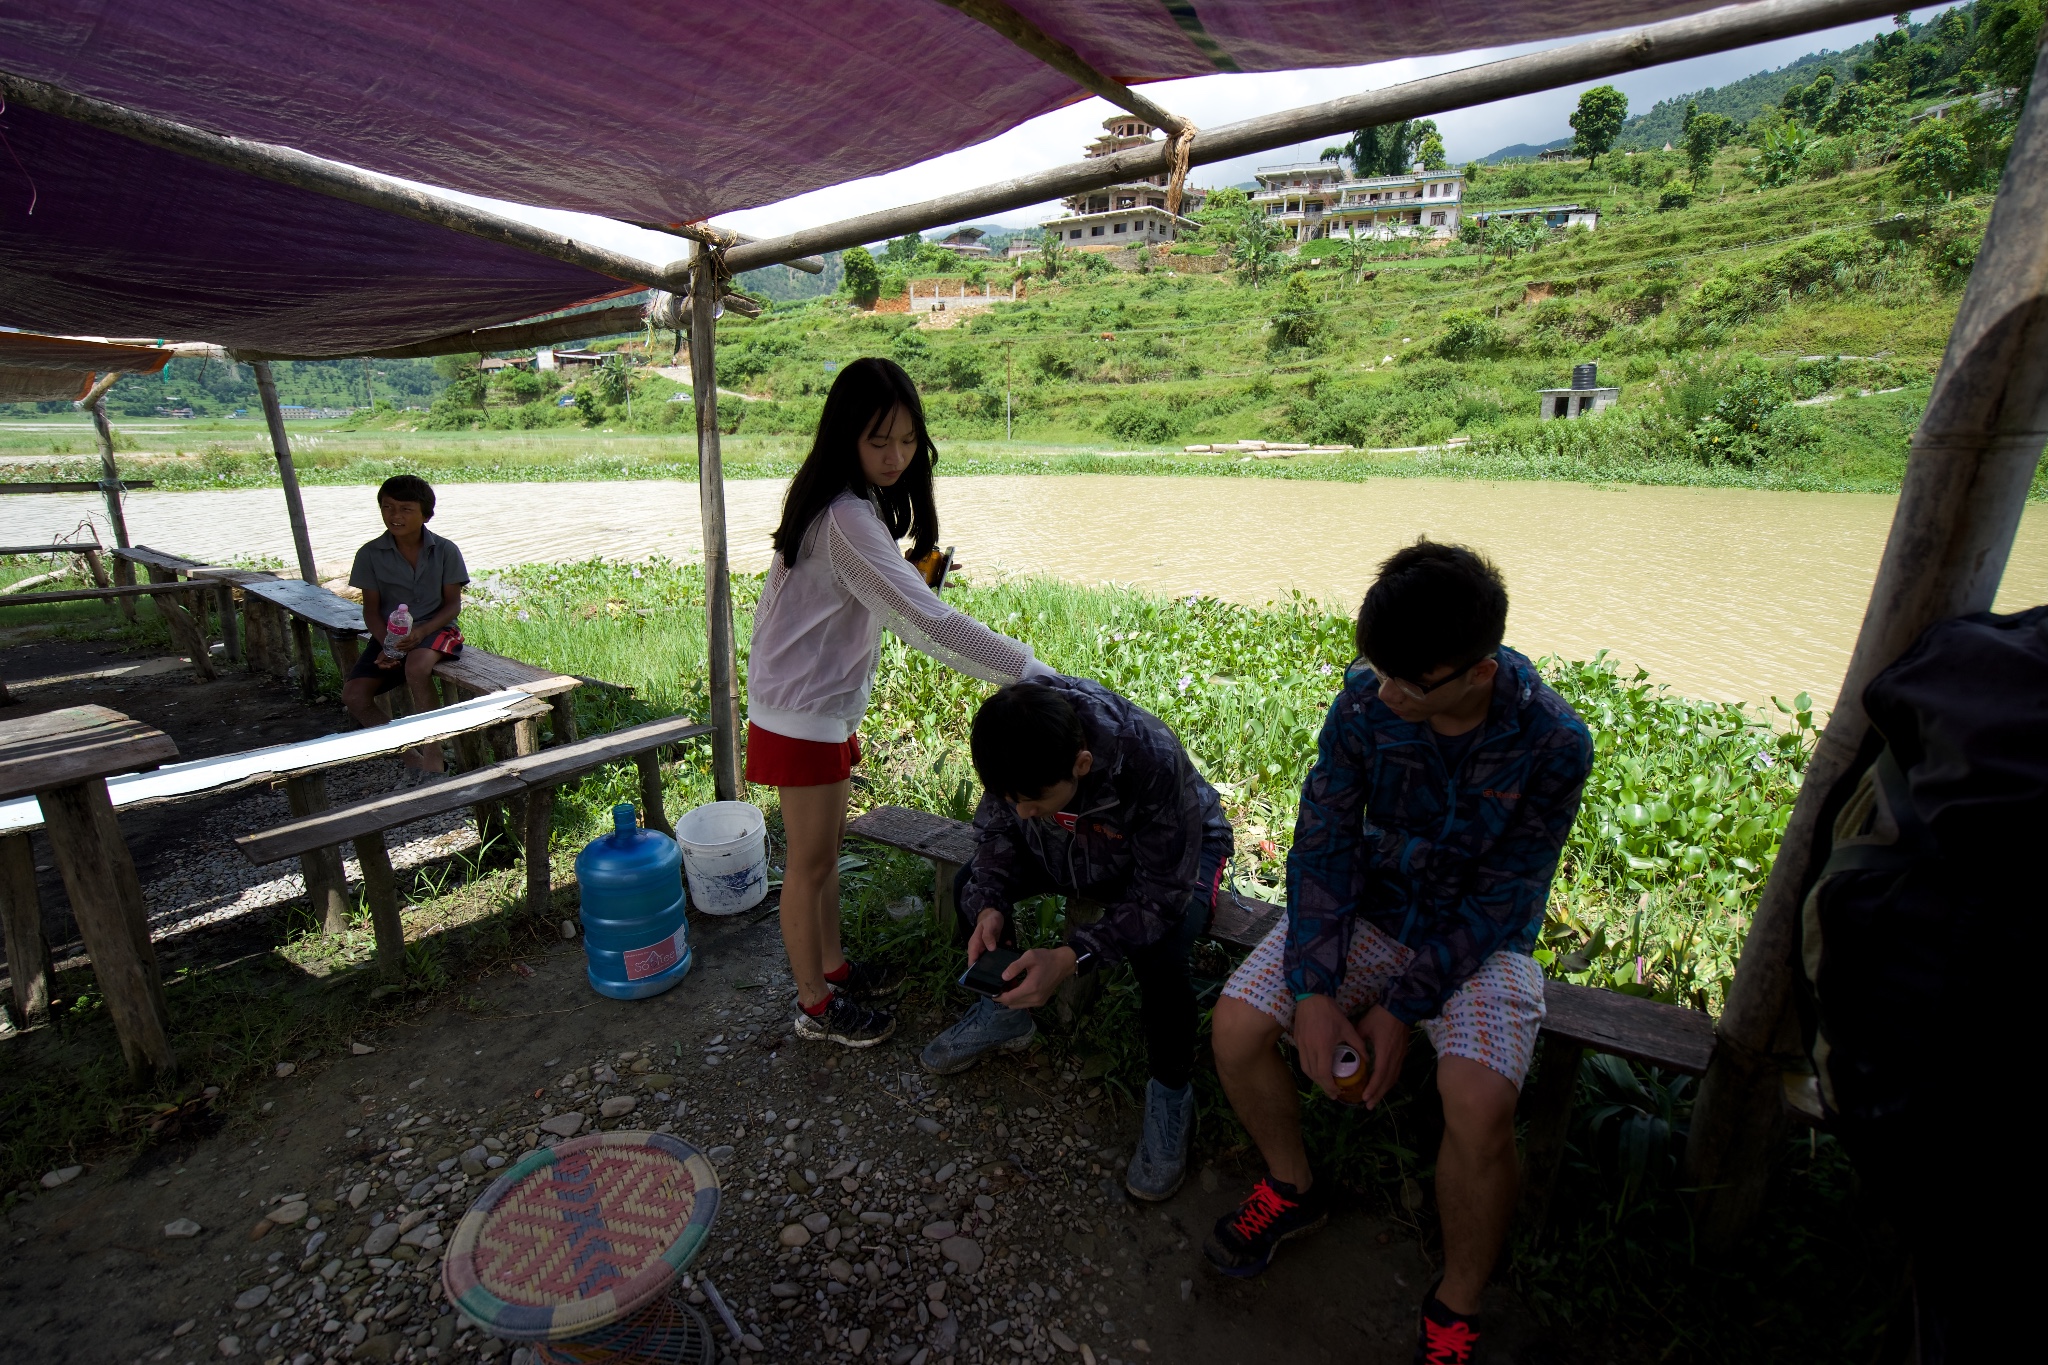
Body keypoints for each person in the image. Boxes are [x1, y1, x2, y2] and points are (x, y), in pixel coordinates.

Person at [1204, 540, 1592, 1365]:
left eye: (1407, 682)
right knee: (1237, 1025)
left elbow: (1506, 897)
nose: (1382, 692)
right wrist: (1313, 988)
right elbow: (1324, 842)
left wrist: (1401, 1008)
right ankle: (1291, 1184)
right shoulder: (1363, 706)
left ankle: (1456, 1302)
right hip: (1367, 912)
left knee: (1480, 1100)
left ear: (1475, 673)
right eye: (1375, 669)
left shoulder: (1555, 742)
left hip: (1478, 943)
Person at [747, 357, 1053, 1049]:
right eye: (878, 440)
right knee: (810, 863)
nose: (896, 456)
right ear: (846, 437)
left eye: (908, 440)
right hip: (801, 713)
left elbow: (880, 602)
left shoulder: (834, 501)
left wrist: (909, 584)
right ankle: (815, 1004)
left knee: (822, 853)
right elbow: (928, 623)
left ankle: (833, 967)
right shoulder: (849, 517)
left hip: (808, 703)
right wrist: (1031, 671)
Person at [921, 677, 1231, 1200]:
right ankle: (1006, 1015)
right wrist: (991, 905)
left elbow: (1160, 897)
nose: (1018, 809)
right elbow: (999, 831)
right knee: (973, 885)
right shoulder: (1019, 742)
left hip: (1169, 856)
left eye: (1030, 799)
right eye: (1008, 797)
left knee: (1163, 952)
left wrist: (1072, 956)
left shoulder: (1149, 757)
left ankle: (1172, 1090)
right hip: (1062, 842)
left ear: (1082, 766)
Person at [343, 475, 469, 772]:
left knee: (416, 667)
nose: (395, 516)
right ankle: (410, 757)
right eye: (388, 507)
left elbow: (452, 605)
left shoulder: (445, 550)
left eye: (405, 509)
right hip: (390, 635)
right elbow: (371, 611)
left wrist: (422, 632)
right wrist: (389, 644)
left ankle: (434, 757)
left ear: (426, 514)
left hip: (437, 629)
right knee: (354, 696)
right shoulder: (370, 554)